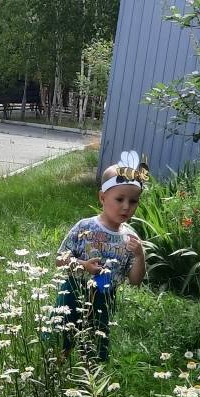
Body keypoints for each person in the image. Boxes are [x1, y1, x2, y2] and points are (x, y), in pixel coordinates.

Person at [52, 151, 150, 362]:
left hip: (104, 298)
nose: (126, 206)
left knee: (95, 342)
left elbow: (135, 281)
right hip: (74, 291)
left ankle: (89, 377)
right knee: (63, 336)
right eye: (119, 199)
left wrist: (140, 256)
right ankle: (58, 368)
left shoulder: (131, 239)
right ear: (102, 197)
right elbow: (60, 259)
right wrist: (83, 265)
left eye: (133, 201)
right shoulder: (85, 226)